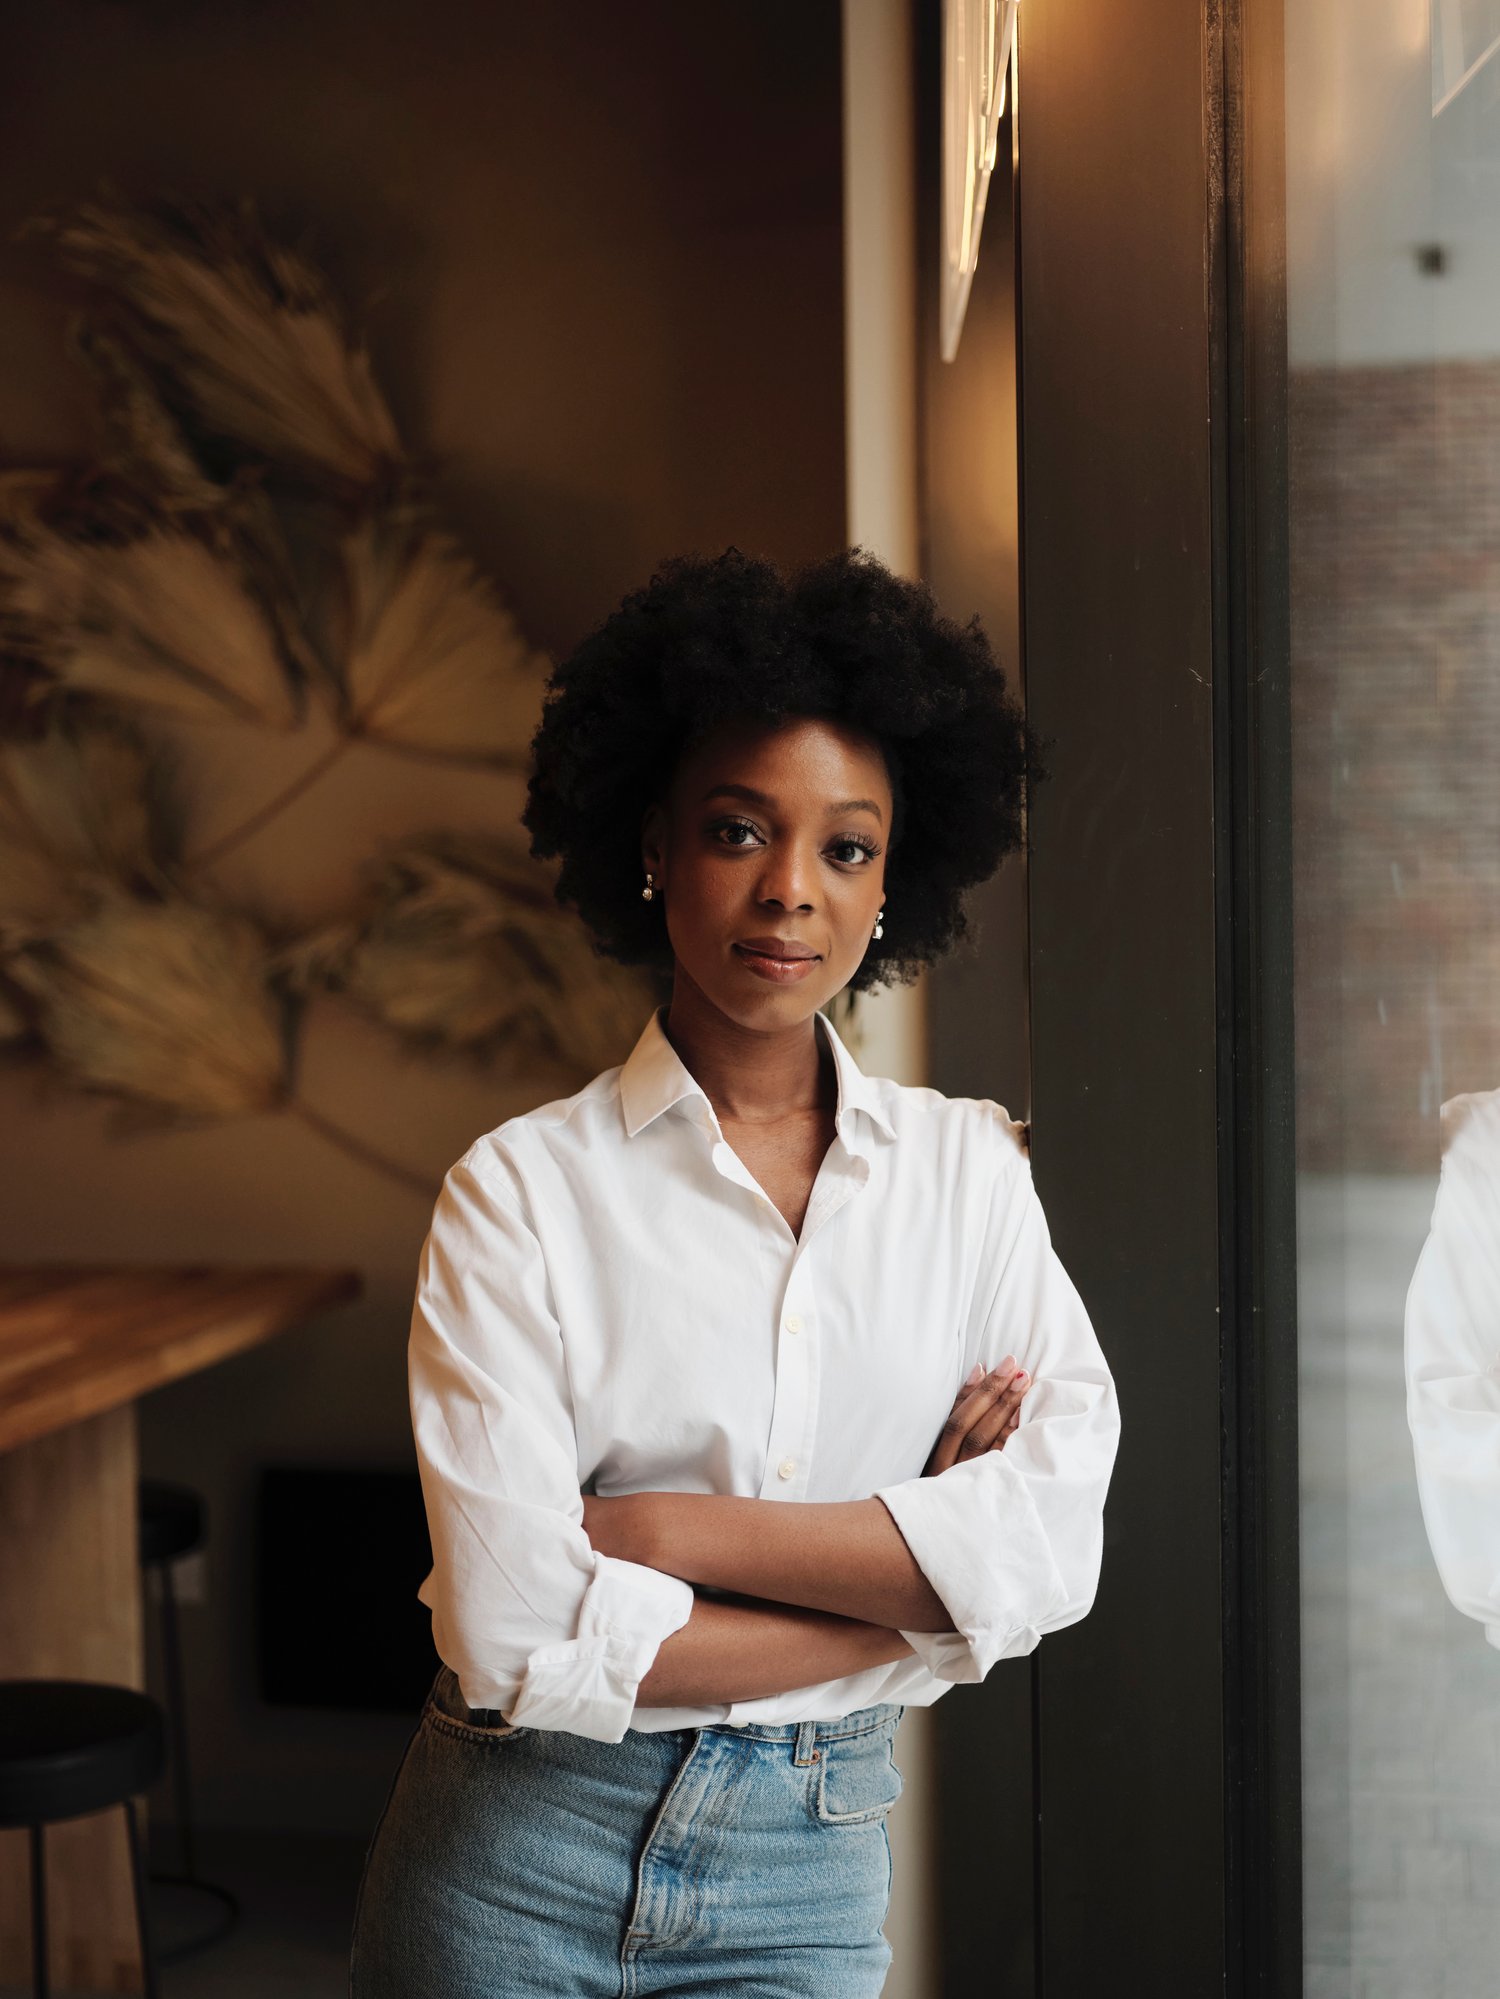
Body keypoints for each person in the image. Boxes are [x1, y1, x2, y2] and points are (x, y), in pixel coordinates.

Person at [349, 546, 1121, 1997]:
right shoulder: (516, 1195)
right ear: (653, 847)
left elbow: (1051, 1550)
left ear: (897, 878)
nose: (789, 893)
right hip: (516, 1852)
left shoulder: (970, 1177)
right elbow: (518, 1634)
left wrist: (662, 1534)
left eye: (846, 846)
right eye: (736, 831)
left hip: (812, 1869)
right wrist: (924, 1606)